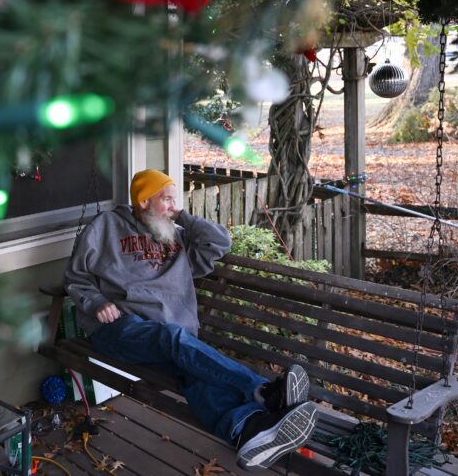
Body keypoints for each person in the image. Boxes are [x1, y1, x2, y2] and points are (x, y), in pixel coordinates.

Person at [64, 168, 318, 470]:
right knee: (171, 339)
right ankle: (264, 391)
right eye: (167, 199)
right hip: (121, 329)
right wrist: (96, 302)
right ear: (144, 201)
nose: (175, 206)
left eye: (177, 201)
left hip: (175, 339)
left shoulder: (177, 235)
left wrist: (181, 216)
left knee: (191, 371)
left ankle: (247, 429)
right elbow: (75, 277)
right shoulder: (106, 226)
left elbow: (220, 242)